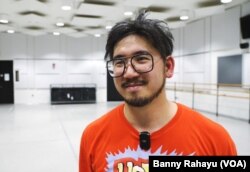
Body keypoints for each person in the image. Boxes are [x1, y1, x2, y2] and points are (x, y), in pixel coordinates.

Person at [79, 10, 237, 172]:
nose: (129, 72)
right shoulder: (92, 136)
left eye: (141, 59)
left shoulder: (215, 140)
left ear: (168, 67)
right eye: (119, 62)